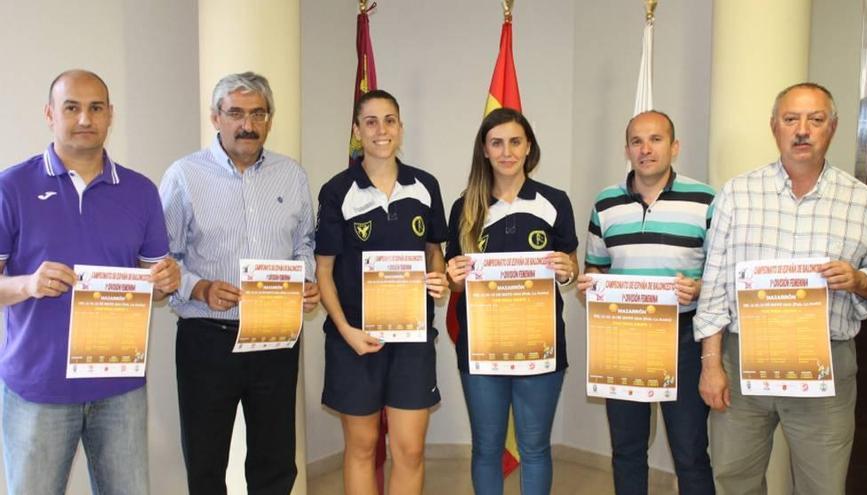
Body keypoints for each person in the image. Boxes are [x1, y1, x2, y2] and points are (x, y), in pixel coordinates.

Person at [0, 69, 180, 495]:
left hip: (120, 388)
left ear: (110, 115)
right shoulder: (12, 186)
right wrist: (27, 284)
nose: (85, 118)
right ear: (50, 114)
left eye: (96, 108)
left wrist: (166, 280)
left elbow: (154, 277)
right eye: (72, 107)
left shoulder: (140, 191)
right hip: (38, 388)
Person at [695, 82, 867, 495]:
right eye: (791, 119)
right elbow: (714, 285)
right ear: (774, 127)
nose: (802, 130)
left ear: (832, 128)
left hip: (825, 369)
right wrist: (711, 364)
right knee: (733, 478)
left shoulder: (864, 203)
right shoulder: (738, 195)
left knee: (823, 485)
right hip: (742, 364)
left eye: (815, 120)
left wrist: (862, 280)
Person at [159, 71, 319, 495]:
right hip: (207, 339)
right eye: (235, 113)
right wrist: (199, 287)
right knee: (207, 461)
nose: (247, 124)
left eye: (257, 114)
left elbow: (305, 243)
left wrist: (305, 279)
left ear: (269, 119)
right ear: (216, 118)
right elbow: (164, 259)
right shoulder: (184, 176)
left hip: (276, 340)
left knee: (275, 461)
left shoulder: (292, 175)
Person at [315, 89, 448, 495]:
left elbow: (434, 253)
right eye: (370, 121)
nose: (381, 130)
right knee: (362, 447)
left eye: (389, 120)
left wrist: (439, 276)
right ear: (357, 130)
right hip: (356, 341)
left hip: (412, 341)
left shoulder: (425, 186)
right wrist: (345, 330)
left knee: (409, 450)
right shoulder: (337, 191)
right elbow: (323, 271)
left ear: (400, 128)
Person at [578, 110, 715, 494]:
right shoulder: (605, 204)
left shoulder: (705, 200)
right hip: (623, 337)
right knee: (626, 449)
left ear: (674, 147)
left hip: (684, 339)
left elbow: (721, 273)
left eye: (656, 140)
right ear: (627, 150)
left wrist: (699, 287)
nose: (646, 149)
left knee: (690, 451)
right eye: (637, 141)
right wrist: (592, 285)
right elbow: (595, 265)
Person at [446, 107, 578, 495]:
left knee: (535, 448)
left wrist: (566, 269)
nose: (507, 151)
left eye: (515, 142)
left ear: (529, 147)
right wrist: (454, 279)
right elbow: (456, 284)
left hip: (540, 347)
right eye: (497, 143)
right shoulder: (464, 207)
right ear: (484, 150)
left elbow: (570, 266)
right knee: (486, 448)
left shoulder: (554, 201)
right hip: (482, 348)